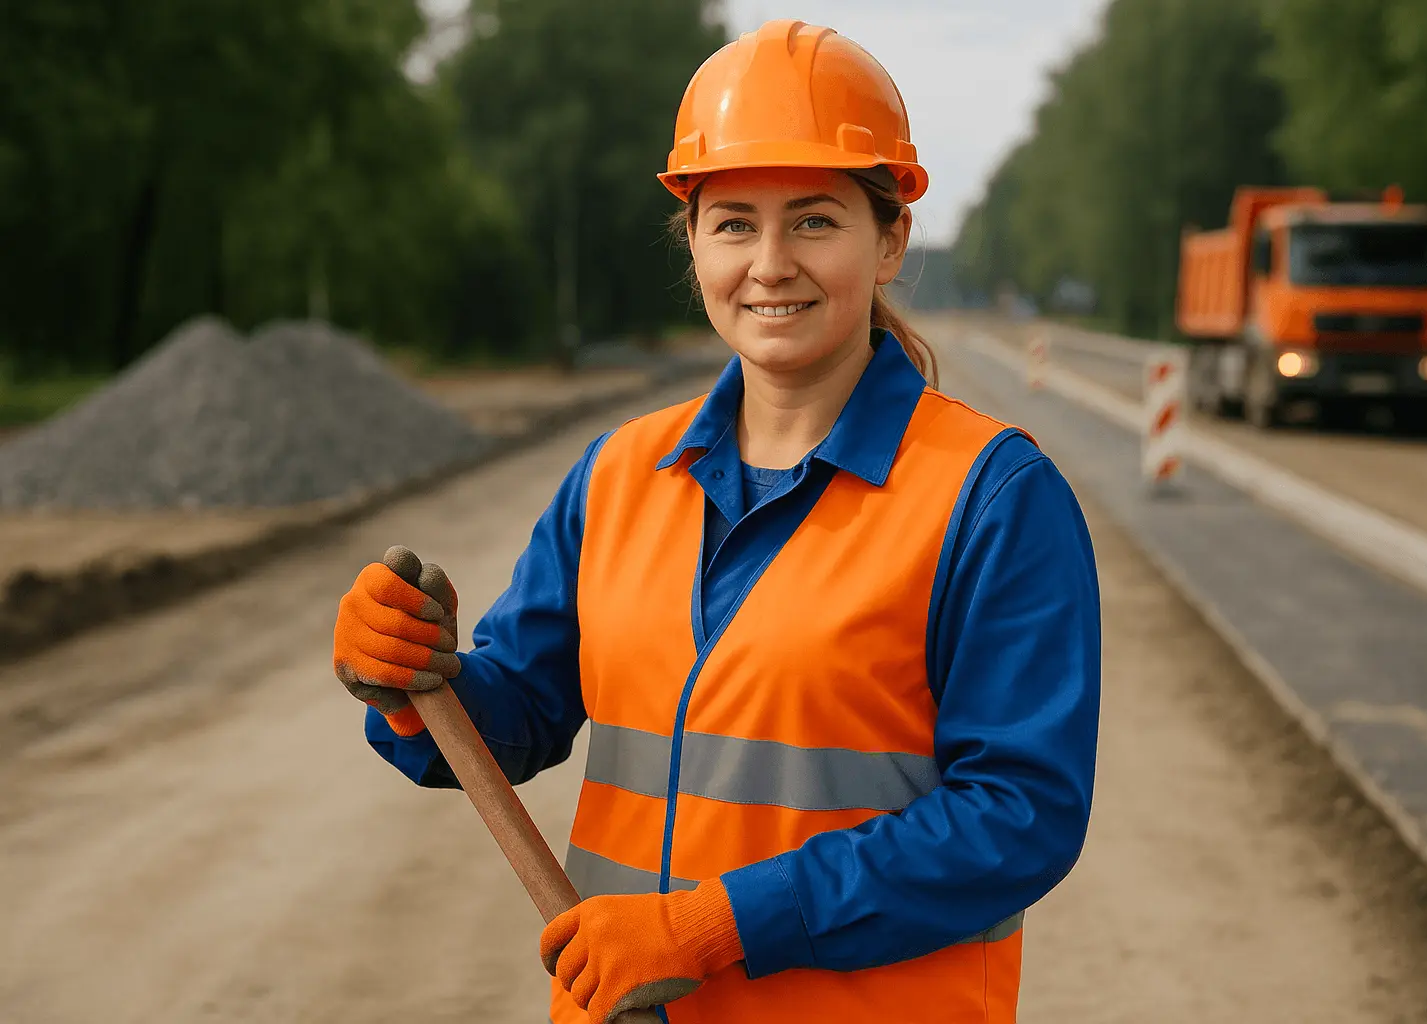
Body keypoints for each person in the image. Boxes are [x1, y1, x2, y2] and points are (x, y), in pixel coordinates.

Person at [332, 19, 1100, 1024]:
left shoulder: (993, 498)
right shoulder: (618, 476)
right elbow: (510, 719)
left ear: (891, 240)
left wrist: (706, 927)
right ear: (691, 240)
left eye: (815, 220)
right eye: (734, 222)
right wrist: (408, 678)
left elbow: (1019, 817)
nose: (770, 263)